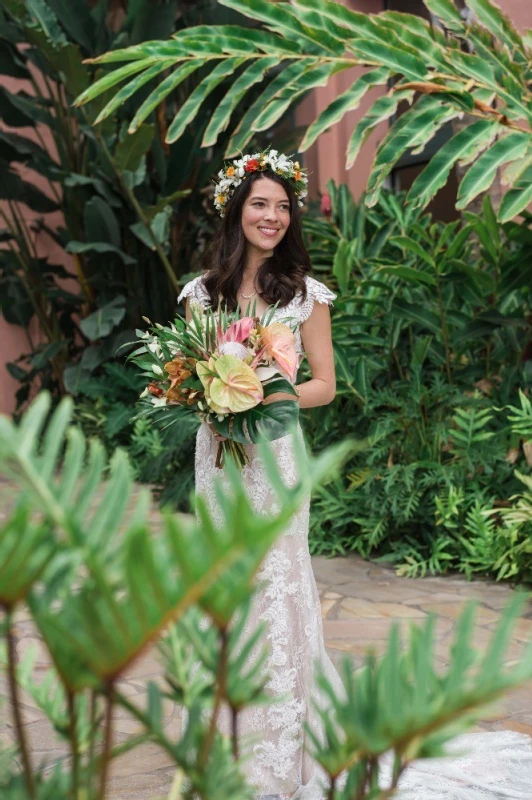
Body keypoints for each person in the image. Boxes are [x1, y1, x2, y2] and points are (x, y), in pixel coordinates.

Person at [177, 150, 532, 800]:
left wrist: (264, 391)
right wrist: (207, 395)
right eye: (260, 203)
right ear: (236, 209)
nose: (273, 216)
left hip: (277, 459)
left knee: (278, 589)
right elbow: (185, 374)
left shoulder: (304, 294)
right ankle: (220, 745)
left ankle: (280, 762)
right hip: (219, 461)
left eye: (283, 206)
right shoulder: (202, 294)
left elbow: (326, 386)